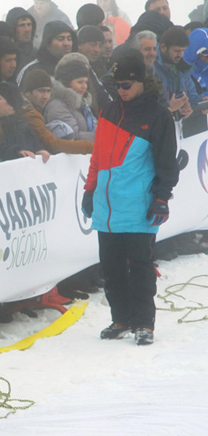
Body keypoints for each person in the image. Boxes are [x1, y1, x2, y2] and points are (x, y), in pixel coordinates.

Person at [82, 54, 178, 346]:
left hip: (139, 206)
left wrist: (161, 197)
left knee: (140, 268)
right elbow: (97, 157)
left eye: (126, 84)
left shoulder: (158, 114)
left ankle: (143, 323)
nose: (121, 90)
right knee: (110, 268)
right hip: (107, 207)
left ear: (140, 81)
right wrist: (89, 189)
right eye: (117, 85)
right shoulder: (109, 110)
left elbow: (167, 162)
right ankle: (120, 319)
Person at [20, 69, 94, 154]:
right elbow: (52, 144)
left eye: (48, 91)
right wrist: (92, 147)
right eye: (41, 91)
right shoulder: (29, 113)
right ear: (27, 93)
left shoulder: (36, 108)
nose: (46, 96)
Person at [0, 82, 48, 161]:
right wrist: (17, 152)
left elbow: (36, 145)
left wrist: (40, 151)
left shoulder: (25, 127)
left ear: (11, 106)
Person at [45, 53, 98, 142]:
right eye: (80, 82)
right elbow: (74, 136)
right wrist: (102, 137)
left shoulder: (82, 105)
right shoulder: (57, 106)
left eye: (86, 82)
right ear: (66, 82)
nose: (84, 86)